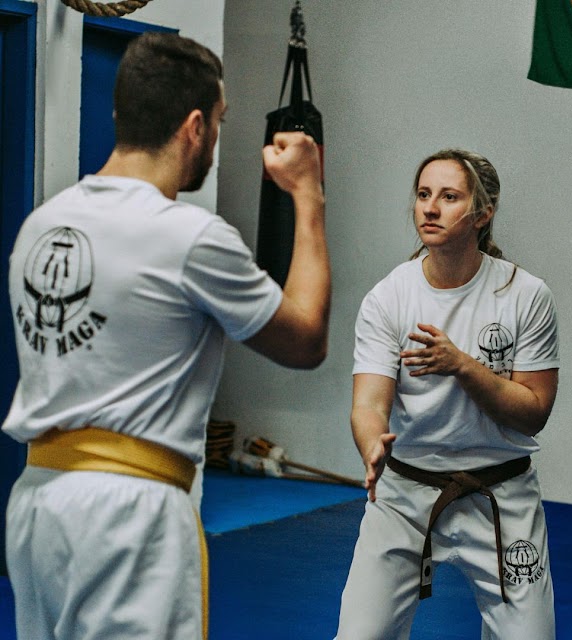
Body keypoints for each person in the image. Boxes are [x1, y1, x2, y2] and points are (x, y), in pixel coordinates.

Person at [2, 32, 329, 640]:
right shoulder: (188, 236)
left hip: (36, 503)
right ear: (195, 126)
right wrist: (308, 196)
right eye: (221, 123)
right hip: (130, 515)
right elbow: (305, 340)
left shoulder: (41, 225)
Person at [335, 149, 559, 640]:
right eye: (422, 195)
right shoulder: (389, 297)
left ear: (483, 213)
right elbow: (369, 403)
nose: (429, 208)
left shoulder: (524, 295)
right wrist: (371, 444)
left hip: (499, 495)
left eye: (448, 196)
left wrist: (462, 366)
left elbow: (534, 412)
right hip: (403, 496)